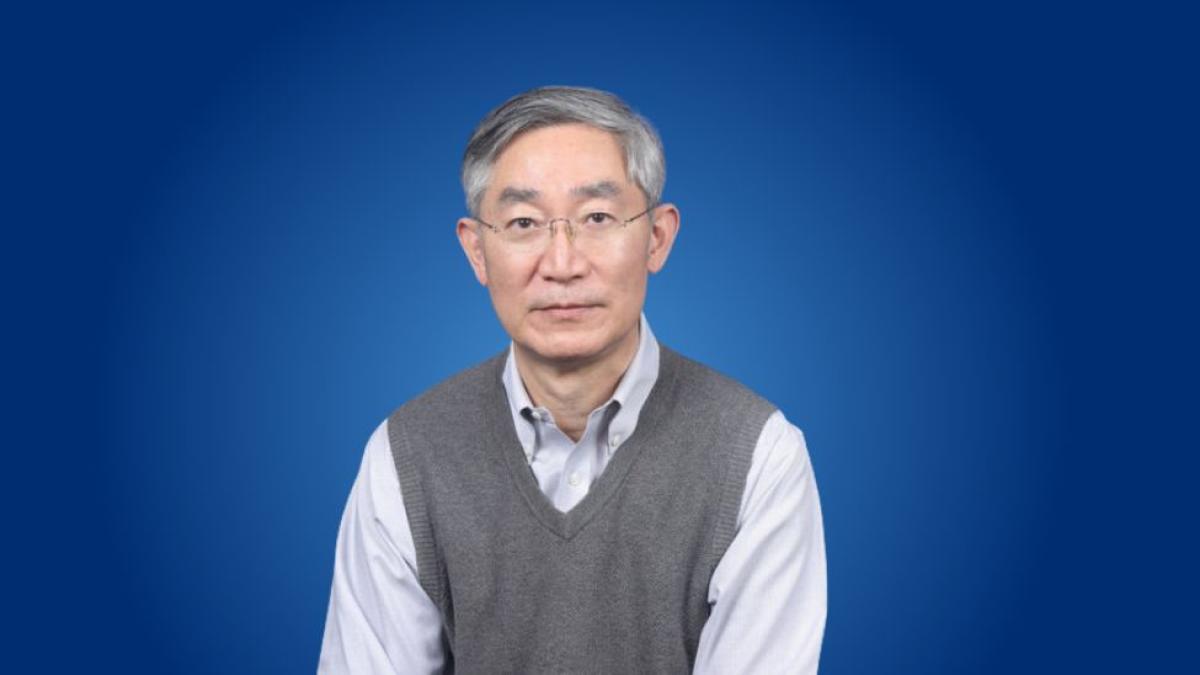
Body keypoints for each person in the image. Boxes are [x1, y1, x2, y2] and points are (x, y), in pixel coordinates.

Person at [318, 86, 827, 673]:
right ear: (477, 250)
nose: (562, 263)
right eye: (524, 222)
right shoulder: (405, 456)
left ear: (657, 237)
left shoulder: (758, 455)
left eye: (598, 217)